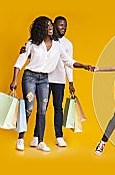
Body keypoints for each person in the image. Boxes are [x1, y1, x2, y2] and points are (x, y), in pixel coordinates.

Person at [10, 16, 93, 152]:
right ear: (41, 28)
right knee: (29, 108)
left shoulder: (58, 46)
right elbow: (20, 61)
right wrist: (14, 80)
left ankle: (40, 142)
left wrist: (84, 66)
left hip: (44, 79)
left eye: (50, 25)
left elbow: (69, 61)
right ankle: (20, 138)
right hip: (30, 76)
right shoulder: (32, 43)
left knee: (42, 110)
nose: (50, 27)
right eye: (48, 25)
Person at [20, 16, 74, 148]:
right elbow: (36, 58)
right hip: (45, 78)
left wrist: (71, 82)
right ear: (54, 26)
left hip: (59, 80)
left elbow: (69, 63)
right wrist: (25, 52)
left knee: (57, 108)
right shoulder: (40, 41)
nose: (63, 28)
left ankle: (58, 136)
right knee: (38, 108)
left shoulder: (66, 44)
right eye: (60, 25)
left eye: (65, 25)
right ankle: (36, 136)